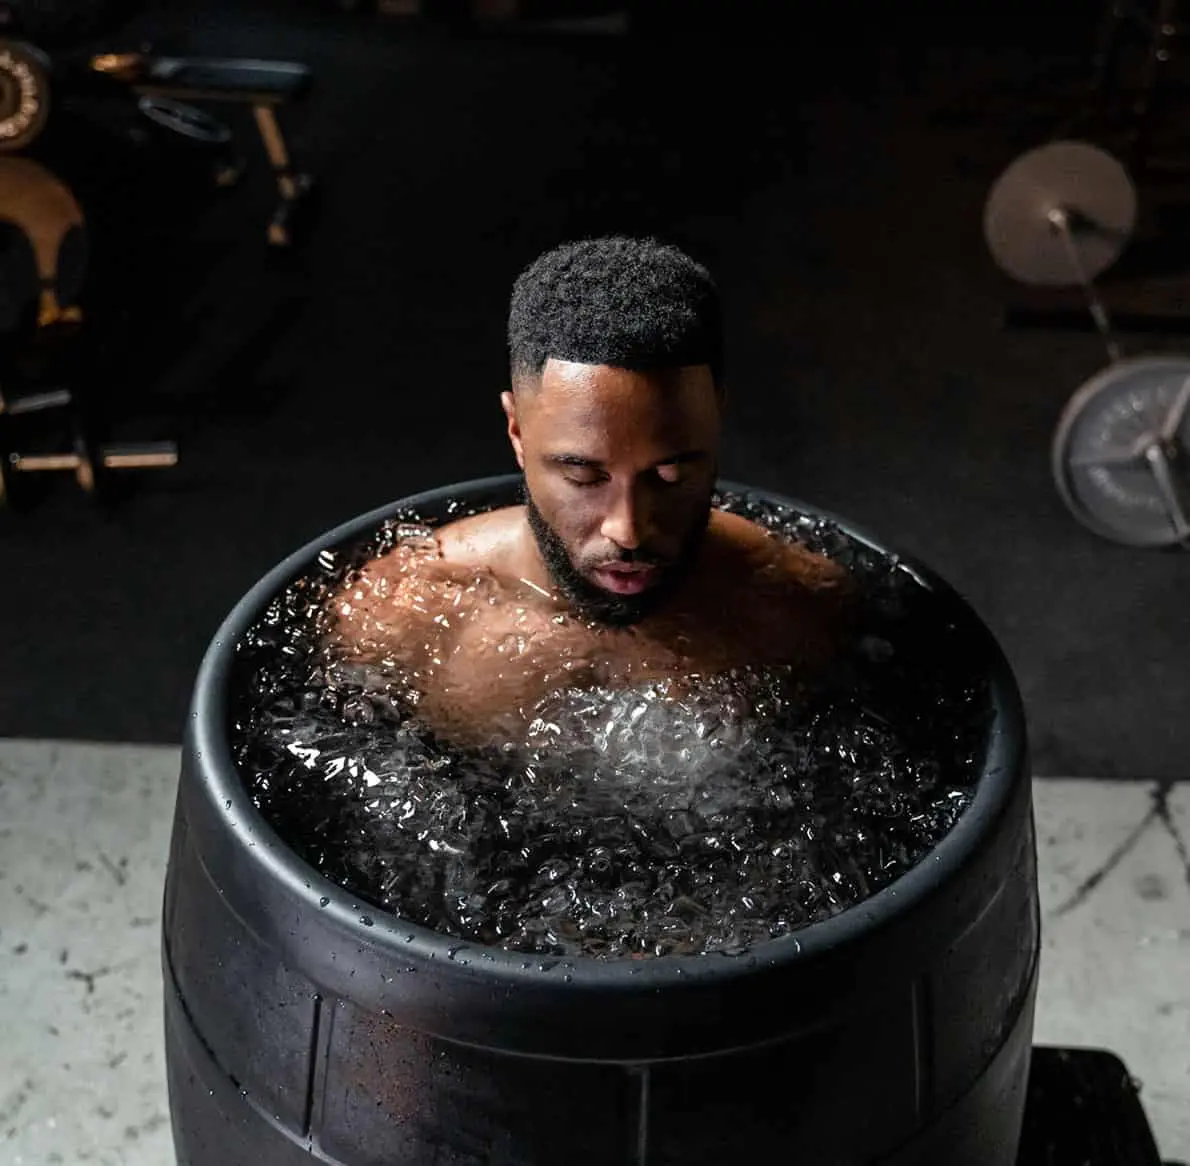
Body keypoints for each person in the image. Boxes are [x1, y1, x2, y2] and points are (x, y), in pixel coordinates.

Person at [325, 235, 851, 746]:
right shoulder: (404, 616)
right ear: (517, 433)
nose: (628, 528)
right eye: (583, 476)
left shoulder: (786, 600)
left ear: (716, 424)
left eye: (670, 475)